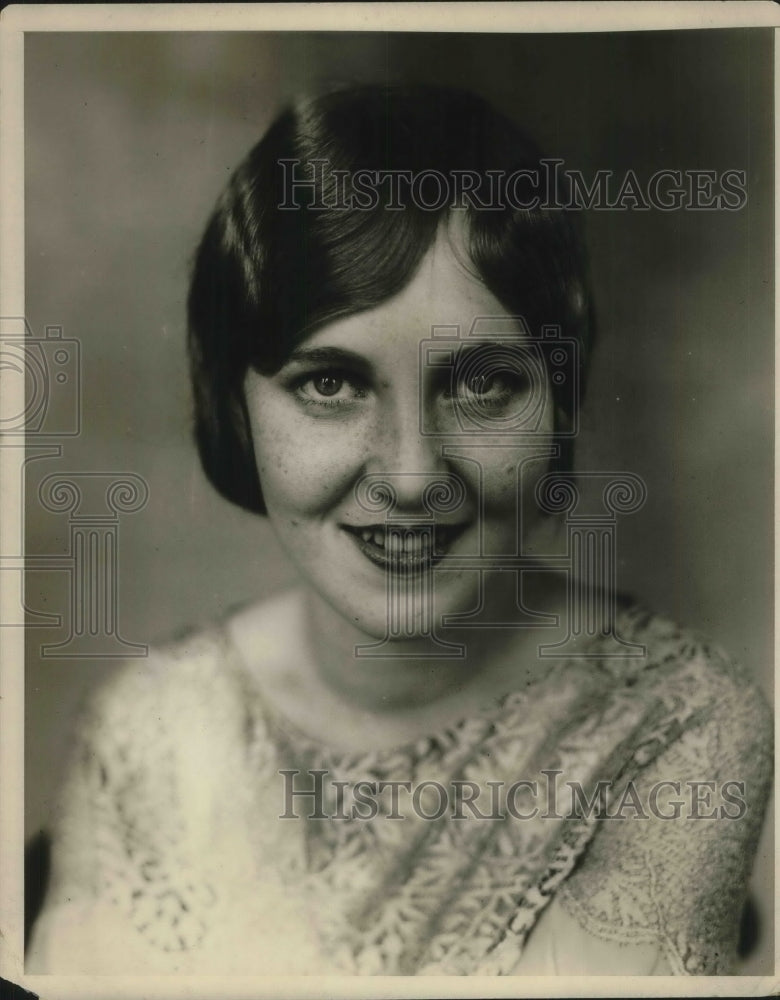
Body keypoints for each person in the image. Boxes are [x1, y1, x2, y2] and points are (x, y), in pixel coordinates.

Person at [27, 84, 772, 976]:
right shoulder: (150, 729)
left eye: (482, 383)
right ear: (237, 406)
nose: (413, 474)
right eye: (331, 384)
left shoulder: (676, 724)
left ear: (561, 399)